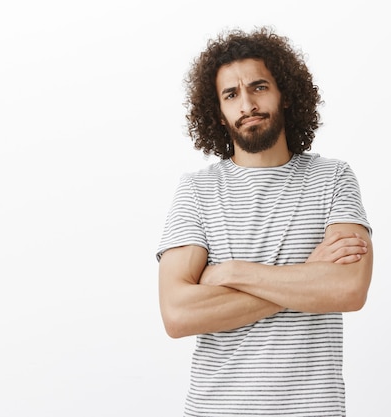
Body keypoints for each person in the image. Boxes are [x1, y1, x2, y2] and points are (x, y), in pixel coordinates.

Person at [156, 26, 373, 417]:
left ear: (284, 94)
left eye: (258, 87)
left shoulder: (333, 179)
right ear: (218, 113)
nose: (247, 104)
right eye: (231, 94)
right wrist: (307, 277)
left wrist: (231, 272)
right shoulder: (197, 191)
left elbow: (348, 288)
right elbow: (177, 313)